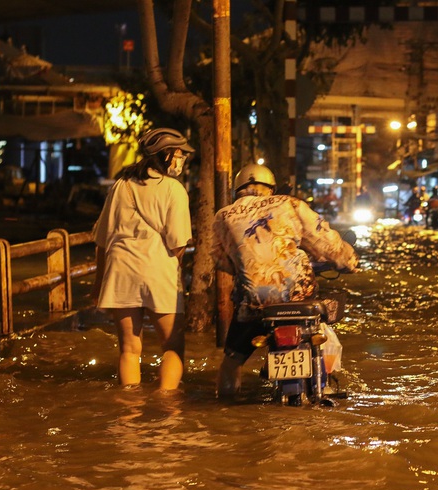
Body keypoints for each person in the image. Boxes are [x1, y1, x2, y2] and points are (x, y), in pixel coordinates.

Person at [211, 164, 359, 397]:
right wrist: (349, 260)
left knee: (232, 361)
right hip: (297, 293)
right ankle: (324, 381)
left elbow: (221, 260)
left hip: (254, 302)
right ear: (271, 187)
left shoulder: (223, 215)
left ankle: (225, 406)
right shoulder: (290, 203)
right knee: (318, 323)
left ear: (237, 190)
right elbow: (325, 241)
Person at [91, 128, 194, 392]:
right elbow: (178, 242)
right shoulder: (174, 189)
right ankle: (166, 405)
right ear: (168, 154)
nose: (182, 159)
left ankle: (130, 409)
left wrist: (98, 283)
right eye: (180, 154)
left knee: (129, 348)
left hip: (120, 271)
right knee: (172, 347)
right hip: (159, 271)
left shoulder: (120, 185)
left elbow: (102, 240)